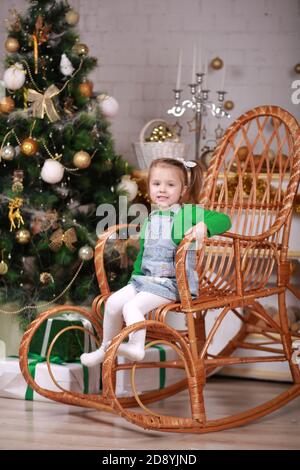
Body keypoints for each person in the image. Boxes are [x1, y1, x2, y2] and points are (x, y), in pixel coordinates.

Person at [80, 157, 231, 367]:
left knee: (131, 308)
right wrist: (135, 279)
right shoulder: (151, 218)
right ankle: (106, 347)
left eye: (170, 185)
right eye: (156, 184)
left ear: (183, 189)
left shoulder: (188, 213)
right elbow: (145, 254)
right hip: (145, 280)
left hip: (171, 284)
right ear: (149, 186)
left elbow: (224, 220)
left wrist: (203, 227)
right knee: (113, 303)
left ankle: (135, 347)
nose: (162, 189)